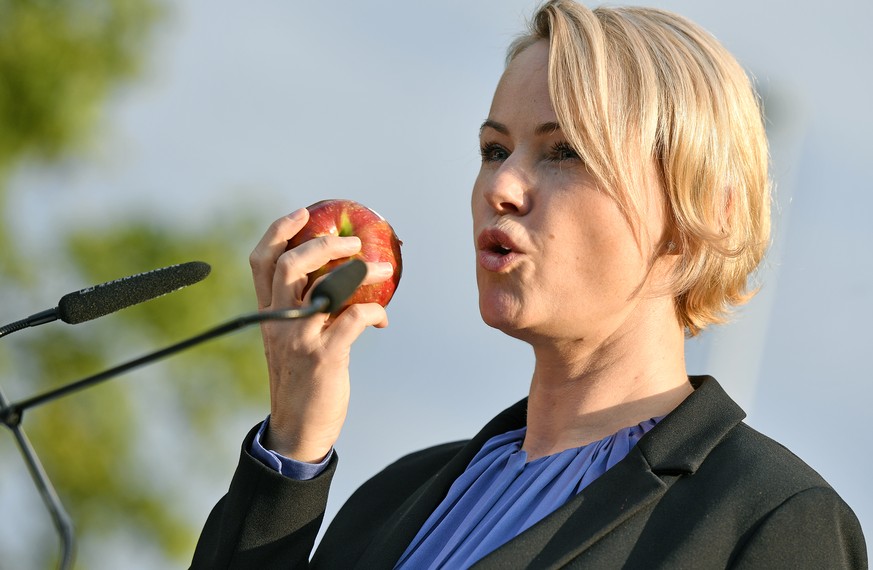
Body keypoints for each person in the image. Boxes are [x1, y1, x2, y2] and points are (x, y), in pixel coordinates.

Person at [191, 1, 867, 568]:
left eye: (563, 150)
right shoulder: (391, 498)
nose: (502, 187)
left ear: (700, 212)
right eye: (493, 150)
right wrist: (293, 444)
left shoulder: (767, 518)